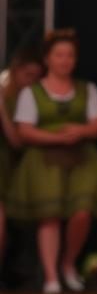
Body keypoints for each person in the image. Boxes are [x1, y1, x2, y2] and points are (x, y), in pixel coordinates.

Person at [8, 30, 97, 294]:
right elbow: (24, 130)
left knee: (82, 211)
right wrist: (54, 137)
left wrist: (80, 132)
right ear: (48, 59)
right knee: (49, 216)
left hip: (81, 159)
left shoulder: (86, 90)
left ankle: (68, 264)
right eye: (59, 55)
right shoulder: (33, 92)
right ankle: (51, 276)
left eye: (70, 55)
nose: (65, 60)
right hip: (45, 160)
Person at [0, 47, 43, 281]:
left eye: (37, 76)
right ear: (16, 71)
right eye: (28, 75)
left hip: (11, 168)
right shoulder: (7, 92)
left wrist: (3, 113)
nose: (32, 81)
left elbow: (16, 141)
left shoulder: (27, 99)